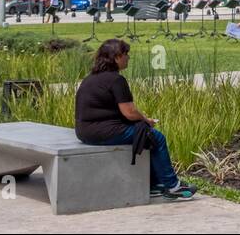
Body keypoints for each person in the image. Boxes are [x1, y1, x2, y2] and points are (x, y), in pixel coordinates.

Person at [75, 38, 196, 200]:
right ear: (117, 57)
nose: (128, 57)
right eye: (126, 54)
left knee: (143, 136)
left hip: (84, 132)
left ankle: (154, 184)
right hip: (102, 132)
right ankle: (173, 186)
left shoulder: (90, 78)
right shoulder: (116, 80)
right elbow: (129, 113)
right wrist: (146, 120)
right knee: (155, 137)